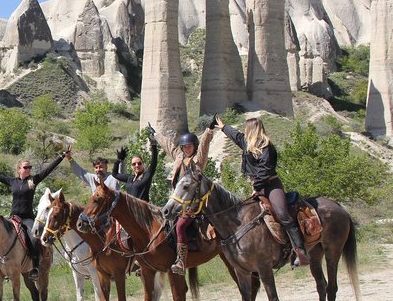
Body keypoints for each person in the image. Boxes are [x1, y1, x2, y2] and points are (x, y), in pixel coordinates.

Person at [216, 116, 309, 266]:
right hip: (257, 186)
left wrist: (257, 188)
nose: (244, 131)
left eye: (246, 128)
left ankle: (300, 251)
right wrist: (223, 127)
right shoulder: (247, 143)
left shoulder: (266, 146)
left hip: (271, 185)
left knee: (282, 214)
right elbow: (236, 136)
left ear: (252, 129)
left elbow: (265, 170)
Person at [0, 151, 67, 280]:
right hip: (13, 218)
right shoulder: (12, 181)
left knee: (34, 237)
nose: (28, 169)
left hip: (27, 218)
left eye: (30, 167)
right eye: (25, 167)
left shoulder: (33, 181)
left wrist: (61, 157)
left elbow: (48, 170)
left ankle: (34, 267)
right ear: (19, 169)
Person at [157, 122, 215, 275]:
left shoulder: (199, 160)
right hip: (178, 201)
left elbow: (205, 144)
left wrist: (209, 130)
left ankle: (181, 261)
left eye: (190, 146)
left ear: (194, 146)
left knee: (181, 225)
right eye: (185, 147)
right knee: (161, 221)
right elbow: (169, 146)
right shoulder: (179, 157)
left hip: (194, 204)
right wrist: (156, 134)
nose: (187, 149)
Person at [112, 127, 159, 202]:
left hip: (142, 210)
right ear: (131, 166)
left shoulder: (146, 175)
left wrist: (153, 144)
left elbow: (154, 163)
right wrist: (119, 160)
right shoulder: (129, 178)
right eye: (134, 164)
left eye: (139, 163)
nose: (137, 165)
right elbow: (114, 174)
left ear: (143, 164)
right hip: (130, 210)